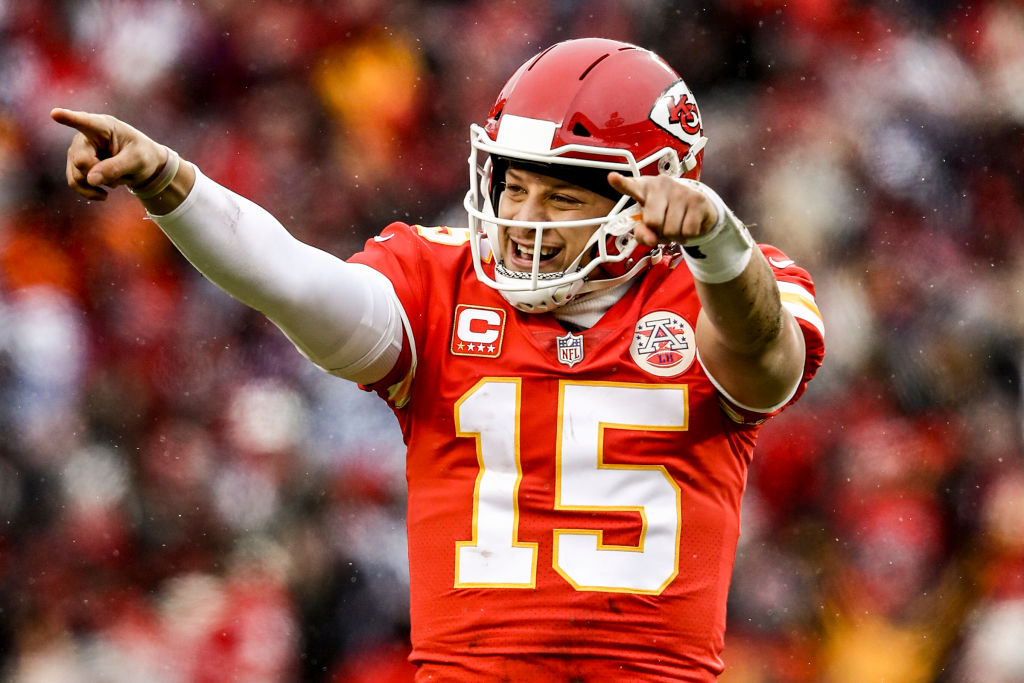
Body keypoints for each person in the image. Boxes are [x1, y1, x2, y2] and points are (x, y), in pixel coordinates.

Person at [53, 37, 824, 682]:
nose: (520, 218)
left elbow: (766, 361)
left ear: (654, 198)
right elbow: (292, 281)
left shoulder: (722, 287)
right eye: (513, 185)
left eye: (559, 198)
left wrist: (720, 245)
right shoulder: (440, 279)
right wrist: (169, 182)